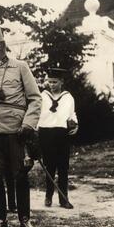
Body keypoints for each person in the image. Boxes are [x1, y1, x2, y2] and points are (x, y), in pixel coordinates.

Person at [0, 26, 42, 227]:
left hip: (16, 130)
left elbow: (35, 99)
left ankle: (25, 220)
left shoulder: (20, 67)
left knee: (20, 175)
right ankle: (0, 221)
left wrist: (29, 125)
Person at [37, 67, 78, 209]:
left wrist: (75, 124)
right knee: (50, 166)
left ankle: (63, 199)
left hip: (62, 134)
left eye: (55, 82)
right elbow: (36, 114)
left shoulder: (68, 97)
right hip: (46, 133)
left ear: (61, 82)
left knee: (63, 167)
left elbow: (72, 114)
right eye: (50, 81)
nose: (52, 84)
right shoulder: (42, 96)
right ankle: (48, 196)